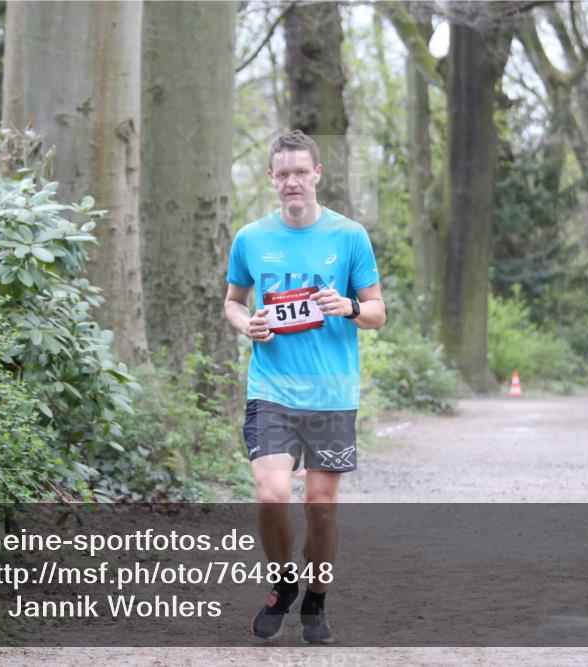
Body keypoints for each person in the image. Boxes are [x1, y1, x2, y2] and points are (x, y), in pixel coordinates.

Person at [223, 130, 386, 644]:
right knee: (271, 496)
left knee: (320, 507)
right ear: (272, 179)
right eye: (283, 173)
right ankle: (283, 582)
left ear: (317, 174)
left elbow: (379, 312)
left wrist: (352, 308)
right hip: (271, 388)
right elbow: (232, 300)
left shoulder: (349, 236)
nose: (292, 181)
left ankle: (317, 598)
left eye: (301, 171)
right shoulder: (251, 238)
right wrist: (245, 322)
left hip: (332, 393)